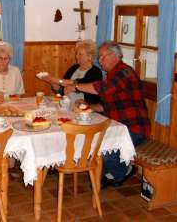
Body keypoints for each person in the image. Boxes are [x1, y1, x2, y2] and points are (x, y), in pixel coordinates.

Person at [64, 41, 151, 187]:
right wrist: (88, 106)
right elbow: (104, 105)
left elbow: (103, 89)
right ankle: (110, 172)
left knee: (103, 144)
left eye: (102, 57)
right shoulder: (112, 75)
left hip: (134, 128)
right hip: (118, 125)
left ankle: (120, 171)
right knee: (94, 139)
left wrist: (76, 86)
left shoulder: (124, 72)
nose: (100, 61)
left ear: (113, 56)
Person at [40, 39, 102, 105]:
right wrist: (52, 82)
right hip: (67, 105)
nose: (77, 56)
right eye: (77, 53)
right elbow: (61, 91)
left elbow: (77, 83)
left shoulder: (95, 72)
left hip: (85, 109)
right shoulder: (74, 68)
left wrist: (54, 79)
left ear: (89, 57)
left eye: (80, 54)